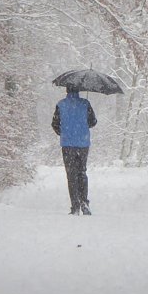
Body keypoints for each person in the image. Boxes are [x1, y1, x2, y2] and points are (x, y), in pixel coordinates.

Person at [52, 86, 97, 215]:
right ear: (78, 90)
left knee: (71, 174)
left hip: (67, 144)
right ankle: (84, 203)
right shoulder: (85, 103)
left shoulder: (60, 105)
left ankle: (75, 206)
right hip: (83, 143)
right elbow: (93, 122)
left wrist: (63, 133)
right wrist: (83, 123)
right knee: (82, 172)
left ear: (67, 90)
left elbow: (55, 124)